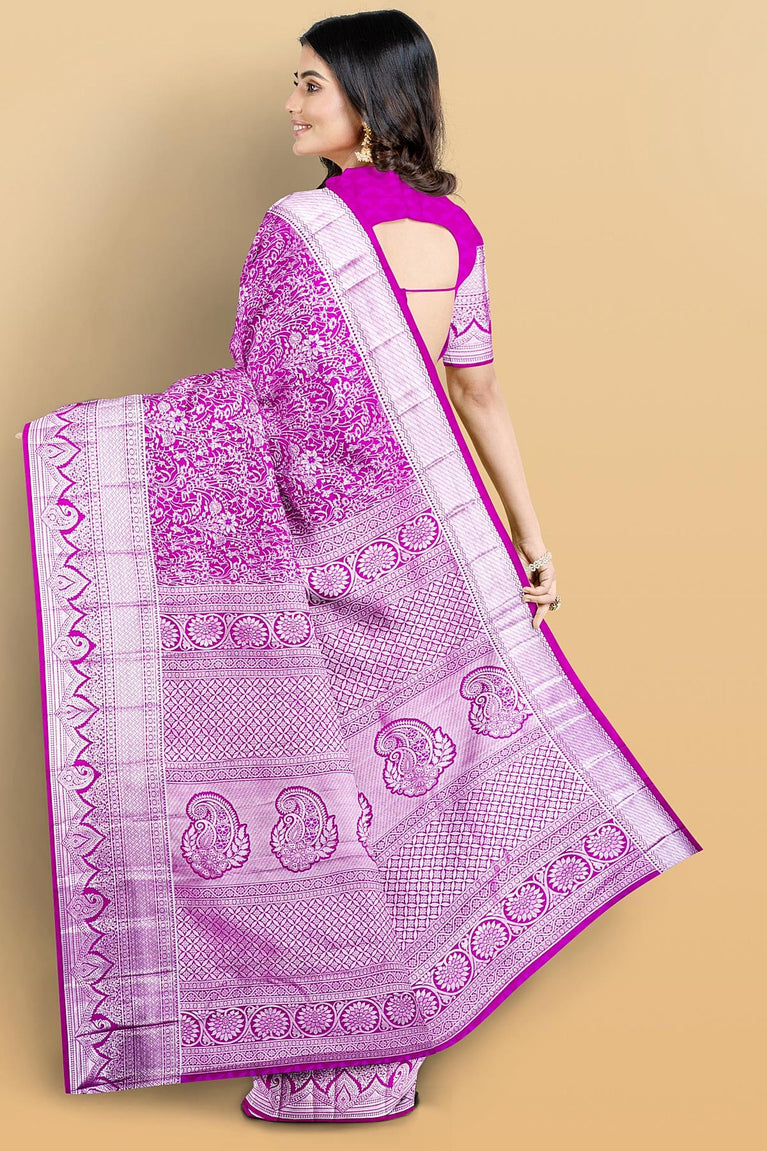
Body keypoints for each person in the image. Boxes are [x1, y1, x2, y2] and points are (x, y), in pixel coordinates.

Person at [21, 8, 702, 1126]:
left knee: (325, 796)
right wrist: (528, 538)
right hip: (430, 544)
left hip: (304, 547)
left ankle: (340, 1038)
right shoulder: (455, 232)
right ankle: (394, 1031)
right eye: (293, 84)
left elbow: (256, 397)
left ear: (370, 98)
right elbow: (477, 393)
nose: (290, 105)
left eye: (310, 85)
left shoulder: (299, 231)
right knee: (406, 797)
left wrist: (91, 447)